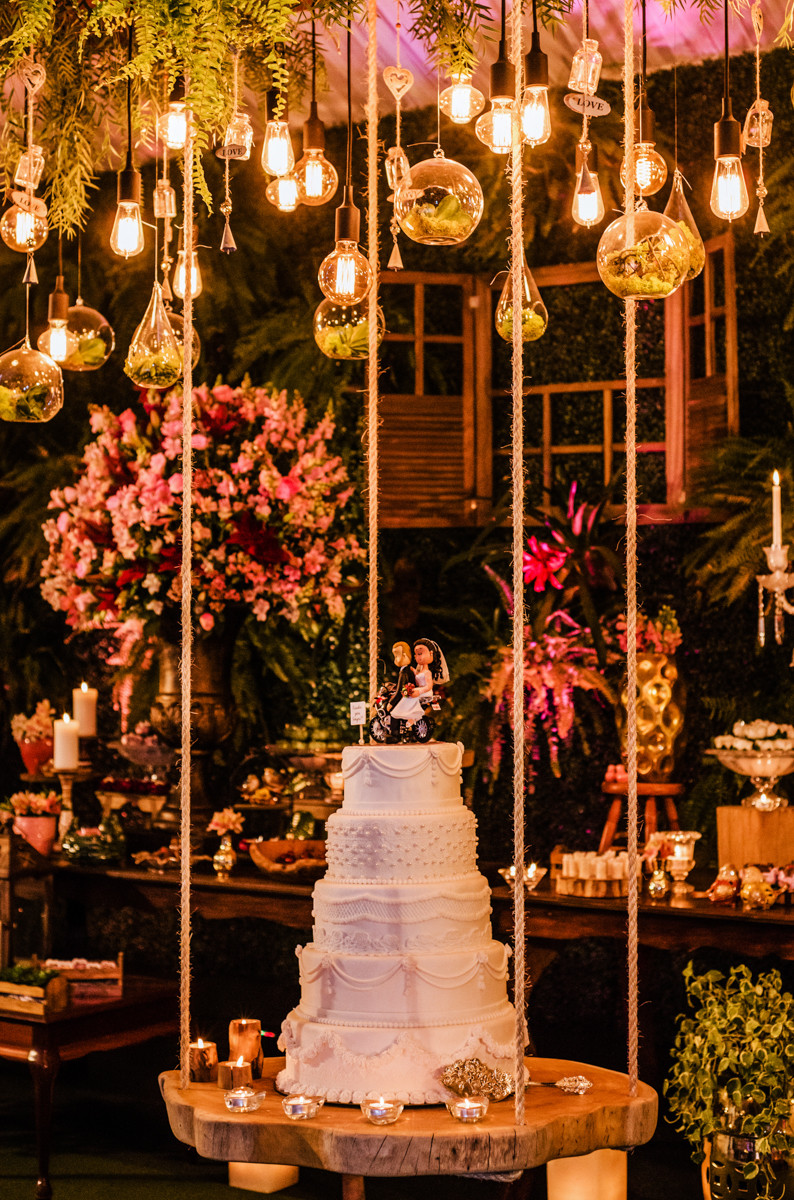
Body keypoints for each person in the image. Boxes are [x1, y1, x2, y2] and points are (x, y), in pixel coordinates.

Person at [390, 638, 449, 726]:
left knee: (407, 699)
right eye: (416, 654)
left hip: (425, 691)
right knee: (408, 696)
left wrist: (419, 691)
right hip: (420, 690)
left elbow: (429, 686)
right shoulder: (421, 671)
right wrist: (414, 671)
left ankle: (411, 718)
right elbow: (418, 676)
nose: (417, 656)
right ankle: (410, 718)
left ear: (431, 654)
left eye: (420, 654)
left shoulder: (427, 672)